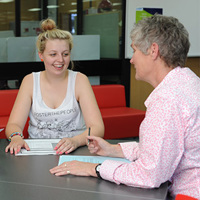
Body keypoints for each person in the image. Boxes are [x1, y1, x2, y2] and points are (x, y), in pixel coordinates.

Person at [49, 14, 200, 200]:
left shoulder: (168, 100)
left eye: (134, 50)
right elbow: (163, 150)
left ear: (153, 51)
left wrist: (93, 168)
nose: (131, 60)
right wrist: (113, 150)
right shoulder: (188, 81)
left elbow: (149, 175)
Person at [5, 18, 104, 155]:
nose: (60, 60)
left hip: (75, 150)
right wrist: (16, 137)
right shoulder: (30, 81)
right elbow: (13, 124)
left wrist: (76, 141)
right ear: (41, 55)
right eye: (53, 54)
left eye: (65, 54)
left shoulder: (80, 80)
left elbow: (97, 127)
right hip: (37, 153)